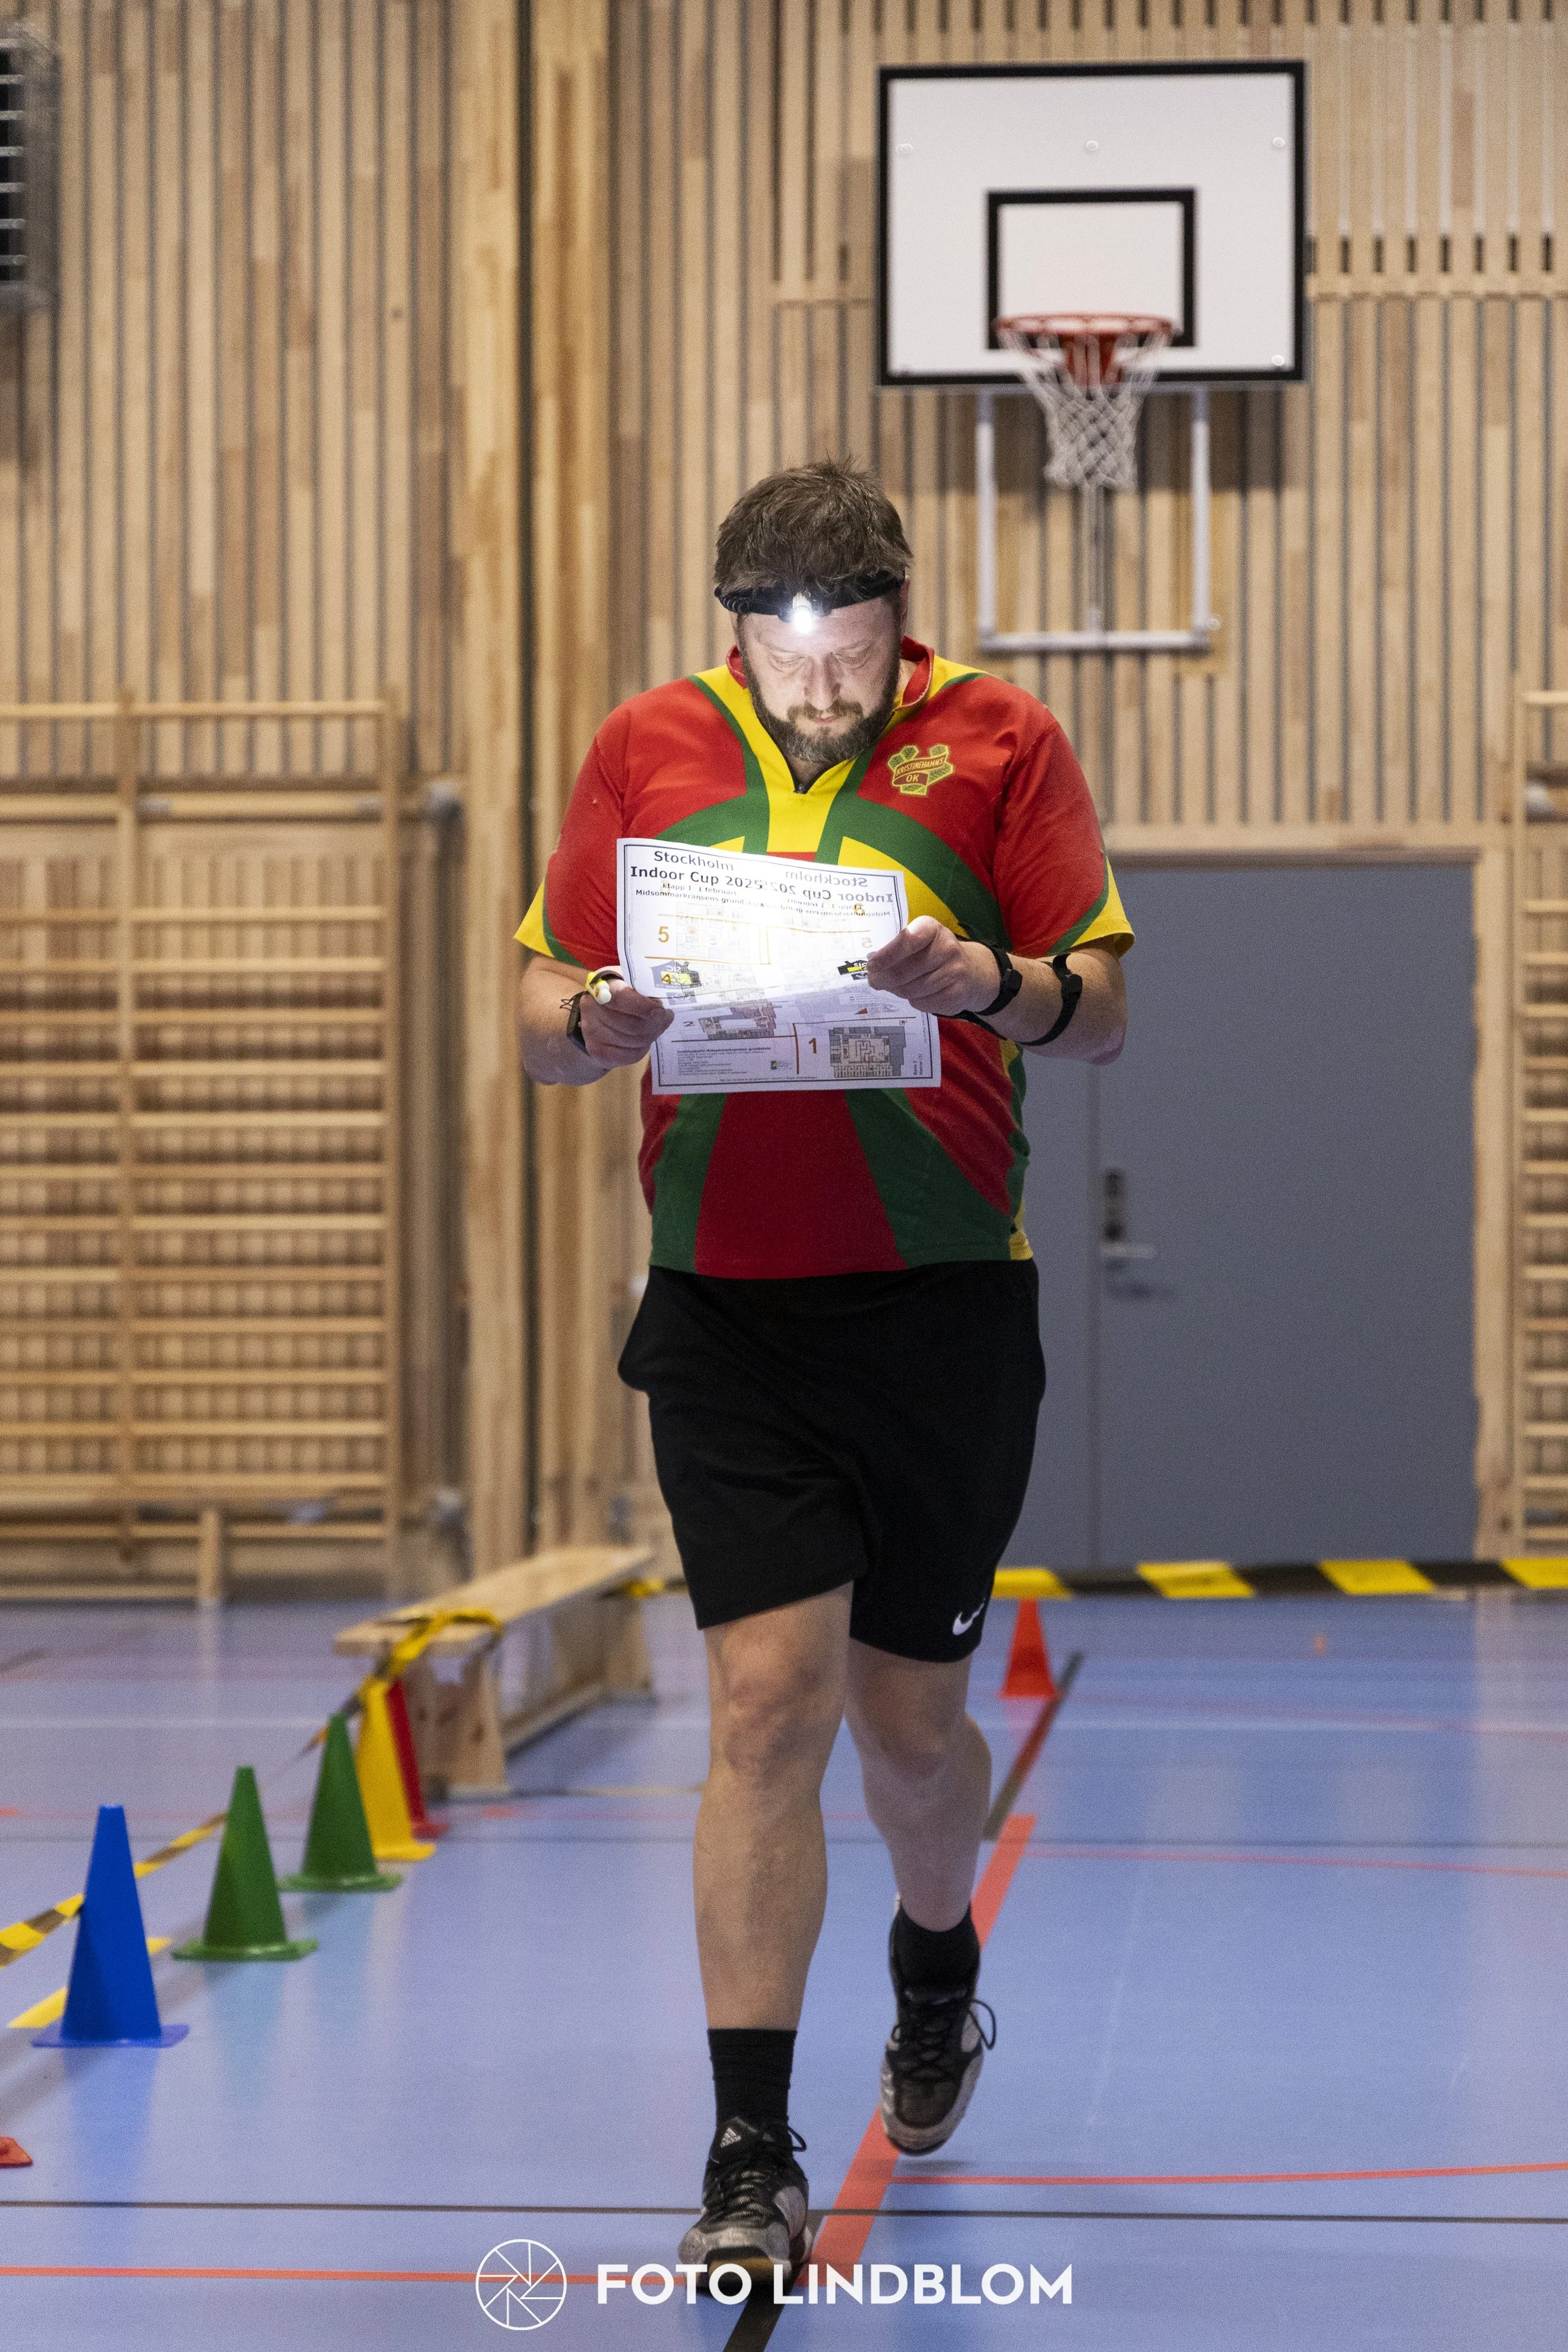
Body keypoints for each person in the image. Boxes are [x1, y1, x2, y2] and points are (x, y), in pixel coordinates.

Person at [516, 457, 1130, 2288]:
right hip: (727, 1308)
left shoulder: (999, 742)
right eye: (795, 667)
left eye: (853, 663)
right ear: (737, 632)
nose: (823, 697)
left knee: (907, 1729)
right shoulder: (643, 749)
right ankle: (749, 2144)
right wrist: (593, 1022)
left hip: (939, 1309)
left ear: (893, 625)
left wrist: (983, 982)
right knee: (766, 1702)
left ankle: (934, 1972)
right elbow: (540, 1014)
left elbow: (1098, 1005)